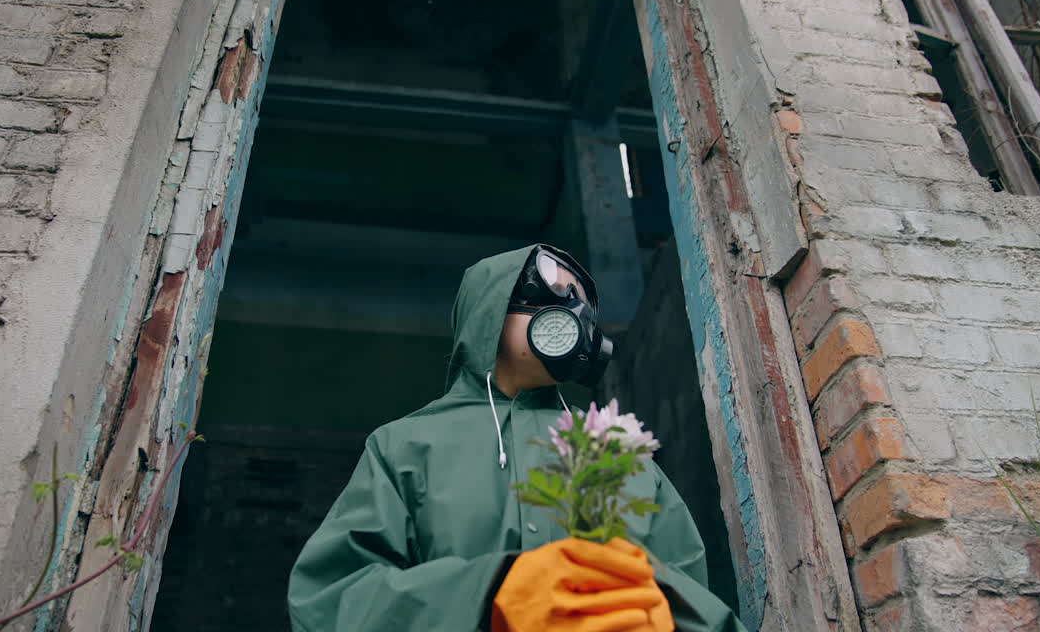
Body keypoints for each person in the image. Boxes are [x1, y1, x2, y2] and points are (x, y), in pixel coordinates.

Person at [287, 244, 746, 631]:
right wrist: (491, 593)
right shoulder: (404, 444)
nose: (574, 314)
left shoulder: (616, 447)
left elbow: (692, 591)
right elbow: (332, 599)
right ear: (489, 307)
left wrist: (655, 611)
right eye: (555, 294)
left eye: (581, 301)